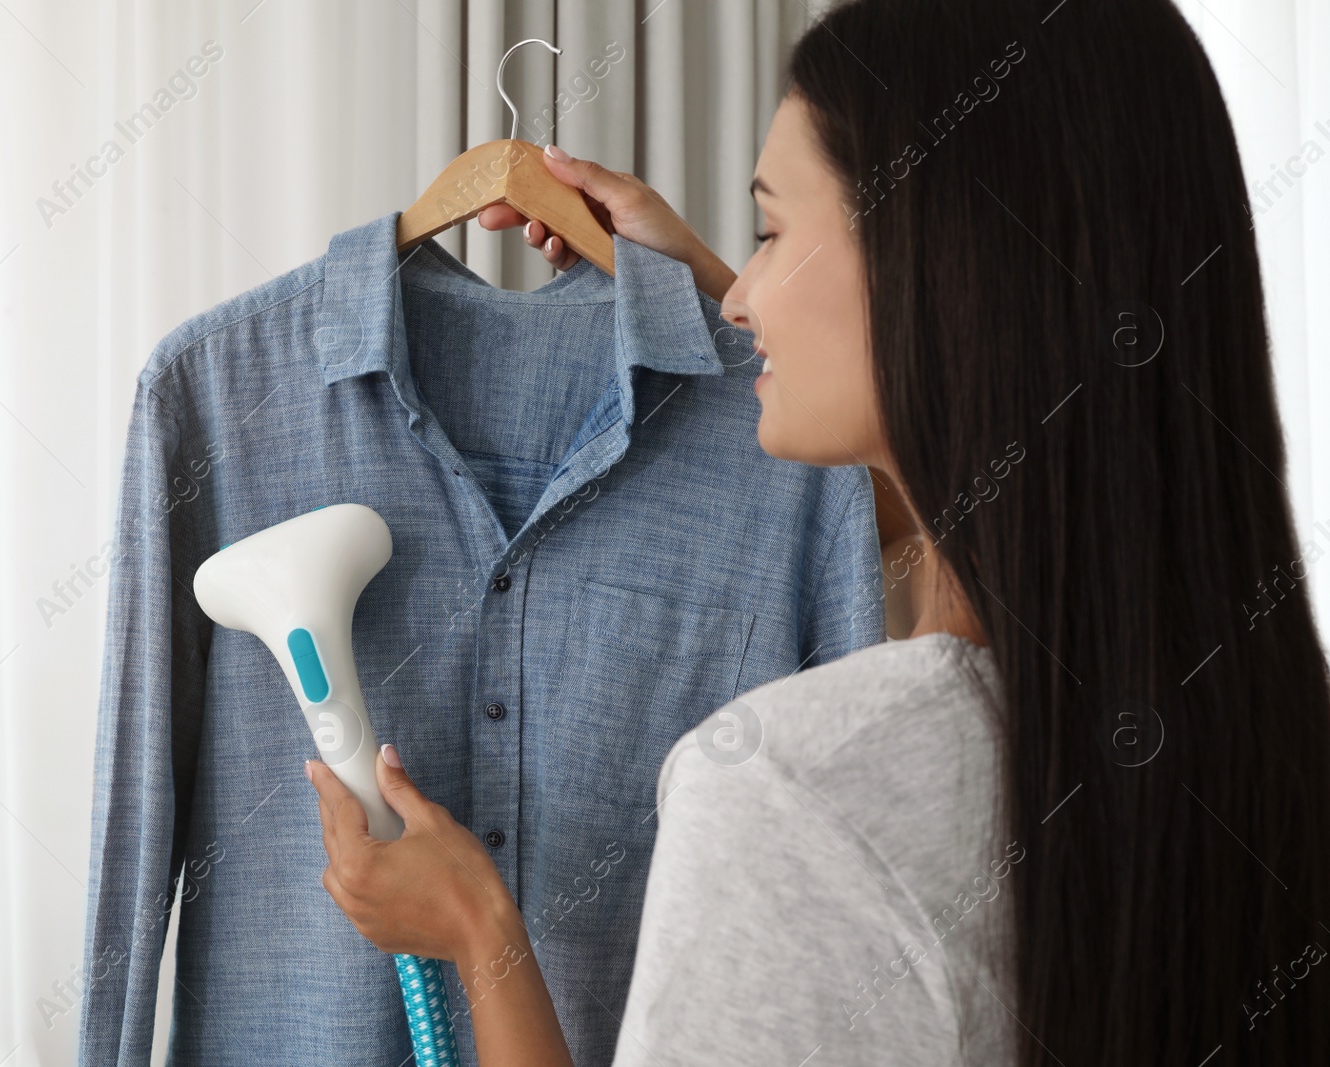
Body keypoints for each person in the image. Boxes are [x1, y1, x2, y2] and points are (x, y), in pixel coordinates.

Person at [306, 0, 1330, 1062]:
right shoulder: (1254, 750)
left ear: (937, 265)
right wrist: (711, 281)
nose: (738, 297)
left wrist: (479, 934)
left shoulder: (785, 793)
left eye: (768, 232)